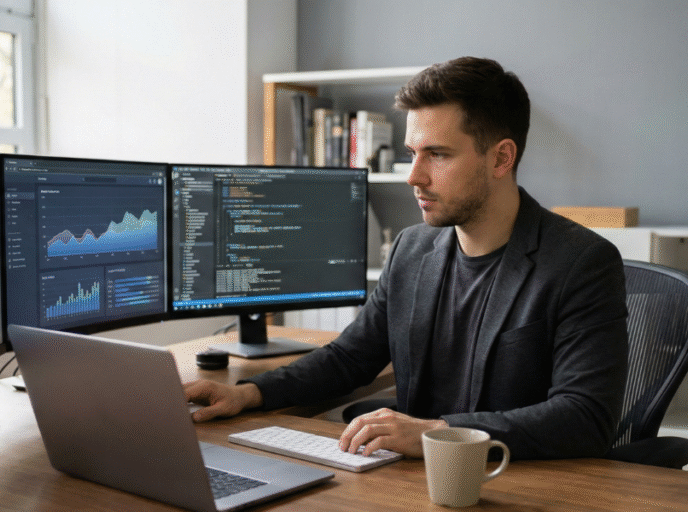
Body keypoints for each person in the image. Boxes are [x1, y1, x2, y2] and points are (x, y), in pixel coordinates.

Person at [184, 56, 629, 460]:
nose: (414, 176)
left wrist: (436, 432)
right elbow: (348, 358)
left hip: (516, 485)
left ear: (501, 158)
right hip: (413, 483)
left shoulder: (582, 263)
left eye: (437, 154)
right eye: (413, 154)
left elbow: (584, 417)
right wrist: (249, 393)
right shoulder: (412, 249)